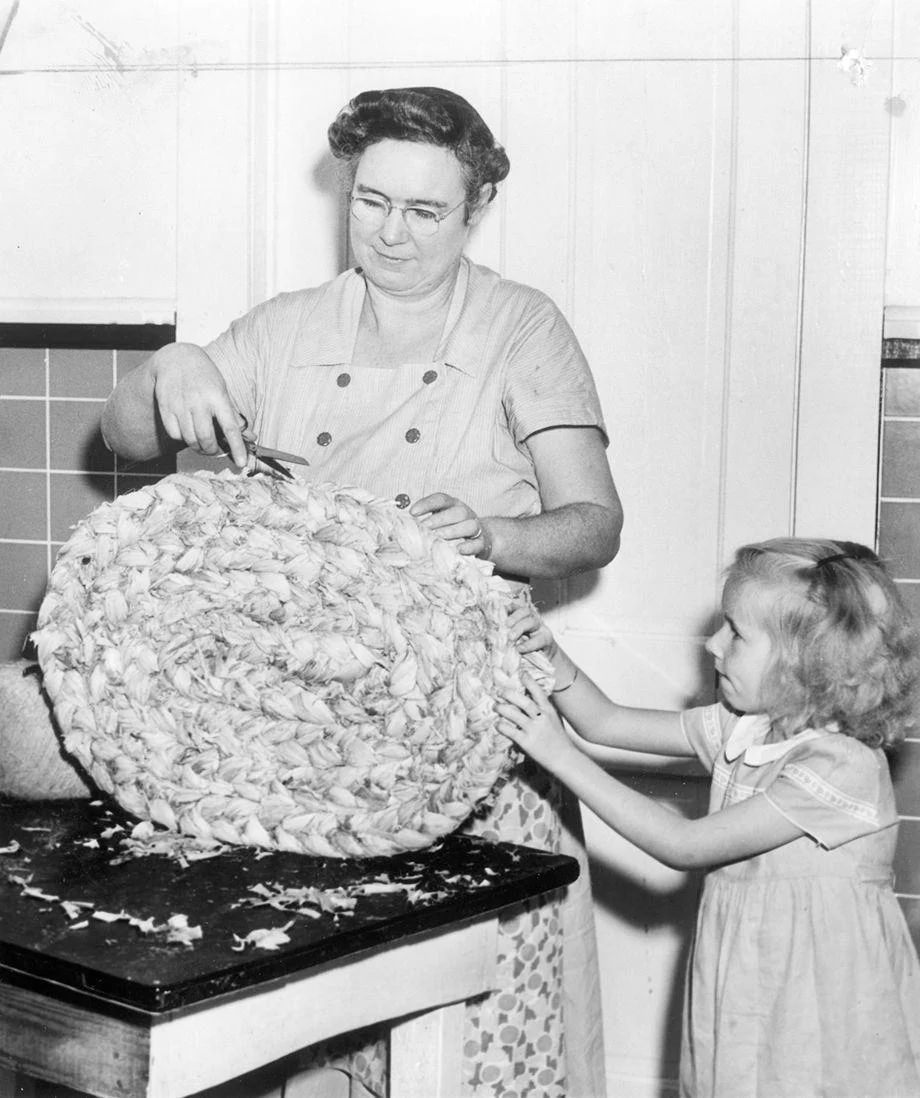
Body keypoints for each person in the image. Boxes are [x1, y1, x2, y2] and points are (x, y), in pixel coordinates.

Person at [95, 87, 622, 1098]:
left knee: (473, 1037)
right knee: (315, 1020)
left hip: (472, 723)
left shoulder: (520, 327)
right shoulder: (290, 328)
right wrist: (172, 364)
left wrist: (495, 534)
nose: (391, 233)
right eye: (371, 201)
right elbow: (122, 439)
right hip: (305, 735)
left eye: (425, 211)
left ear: (476, 208)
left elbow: (594, 523)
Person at [500, 537, 920, 1098]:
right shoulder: (744, 727)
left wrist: (558, 756)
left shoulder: (841, 766)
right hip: (744, 972)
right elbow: (604, 722)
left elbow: (685, 845)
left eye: (737, 633)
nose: (713, 643)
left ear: (808, 664)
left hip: (819, 988)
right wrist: (554, 660)